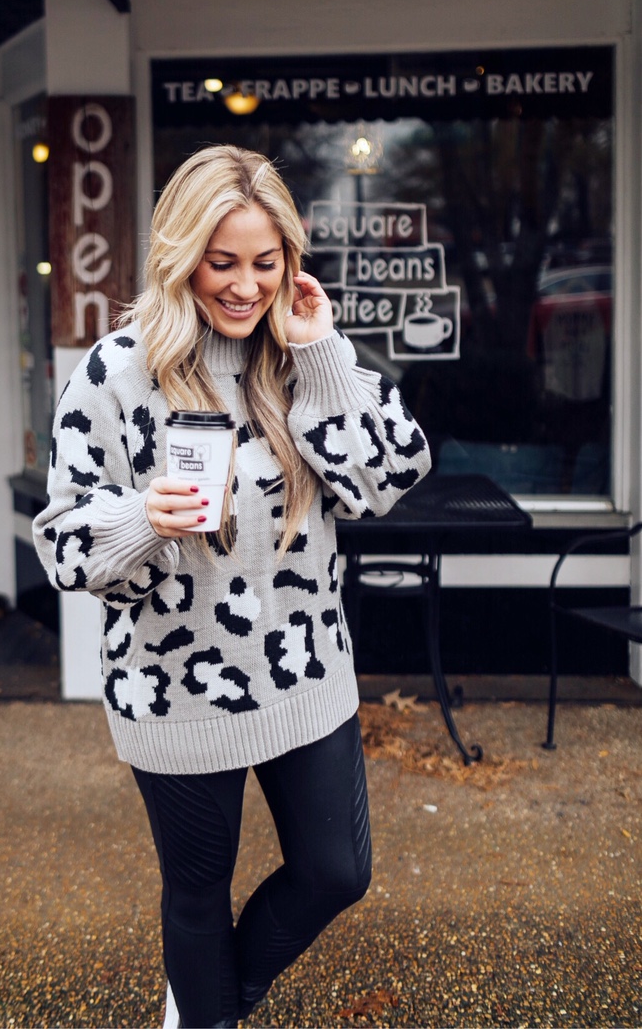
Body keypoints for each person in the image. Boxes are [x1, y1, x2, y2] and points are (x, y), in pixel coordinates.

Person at [33, 145, 431, 1028]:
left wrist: (322, 351)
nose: (247, 287)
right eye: (224, 263)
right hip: (172, 688)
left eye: (267, 261)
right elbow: (63, 548)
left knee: (337, 872)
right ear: (182, 257)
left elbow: (384, 481)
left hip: (304, 673)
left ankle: (213, 998)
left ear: (291, 260)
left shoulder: (302, 352)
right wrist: (143, 518)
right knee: (197, 895)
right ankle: (206, 1013)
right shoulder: (113, 373)